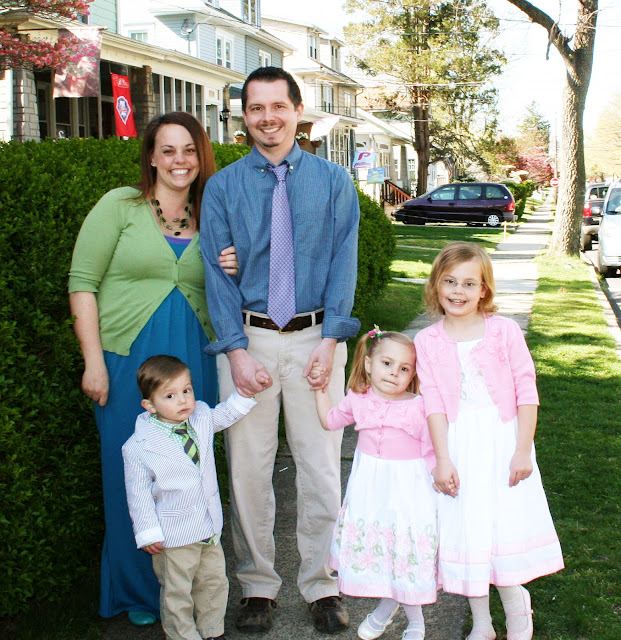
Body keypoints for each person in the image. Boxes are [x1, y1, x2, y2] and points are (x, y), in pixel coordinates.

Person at [200, 66, 360, 634]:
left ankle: (323, 584)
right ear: (244, 116)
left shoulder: (334, 182)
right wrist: (236, 351)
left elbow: (343, 262)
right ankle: (257, 586)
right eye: (256, 108)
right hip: (251, 341)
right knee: (248, 469)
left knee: (321, 468)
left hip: (317, 339)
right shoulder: (223, 188)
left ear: (297, 111)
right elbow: (216, 274)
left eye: (277, 106)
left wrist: (332, 340)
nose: (267, 118)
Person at [69, 112, 237, 625]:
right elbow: (82, 283)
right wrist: (93, 362)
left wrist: (234, 266)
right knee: (132, 477)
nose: (179, 160)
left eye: (189, 150)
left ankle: (184, 593)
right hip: (127, 365)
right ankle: (136, 592)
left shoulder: (213, 214)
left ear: (201, 156)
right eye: (167, 150)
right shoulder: (119, 206)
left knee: (187, 478)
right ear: (151, 157)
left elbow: (234, 289)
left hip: (192, 366)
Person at [414, 242, 564, 640]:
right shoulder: (427, 341)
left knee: (501, 532)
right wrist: (442, 459)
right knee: (468, 532)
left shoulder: (504, 331)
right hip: (458, 444)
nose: (458, 291)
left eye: (469, 283)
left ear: (484, 290)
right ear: (436, 284)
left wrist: (522, 450)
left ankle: (518, 616)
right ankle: (482, 623)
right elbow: (433, 403)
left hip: (502, 443)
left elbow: (526, 391)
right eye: (449, 281)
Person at [313, 328, 437, 640]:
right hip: (371, 492)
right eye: (387, 363)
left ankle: (416, 622)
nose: (394, 373)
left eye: (404, 368)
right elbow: (330, 421)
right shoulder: (359, 400)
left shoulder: (419, 407)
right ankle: (385, 609)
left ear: (413, 374)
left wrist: (441, 480)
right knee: (383, 553)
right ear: (369, 364)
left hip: (407, 493)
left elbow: (432, 451)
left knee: (403, 552)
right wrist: (320, 390)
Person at [122, 355, 257, 640]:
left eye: (187, 390)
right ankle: (182, 635)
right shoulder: (138, 447)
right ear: (149, 405)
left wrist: (246, 394)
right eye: (170, 396)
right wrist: (148, 532)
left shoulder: (201, 418)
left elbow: (224, 414)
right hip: (173, 535)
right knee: (177, 592)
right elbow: (138, 494)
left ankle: (212, 631)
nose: (183, 400)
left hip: (208, 526)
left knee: (213, 583)